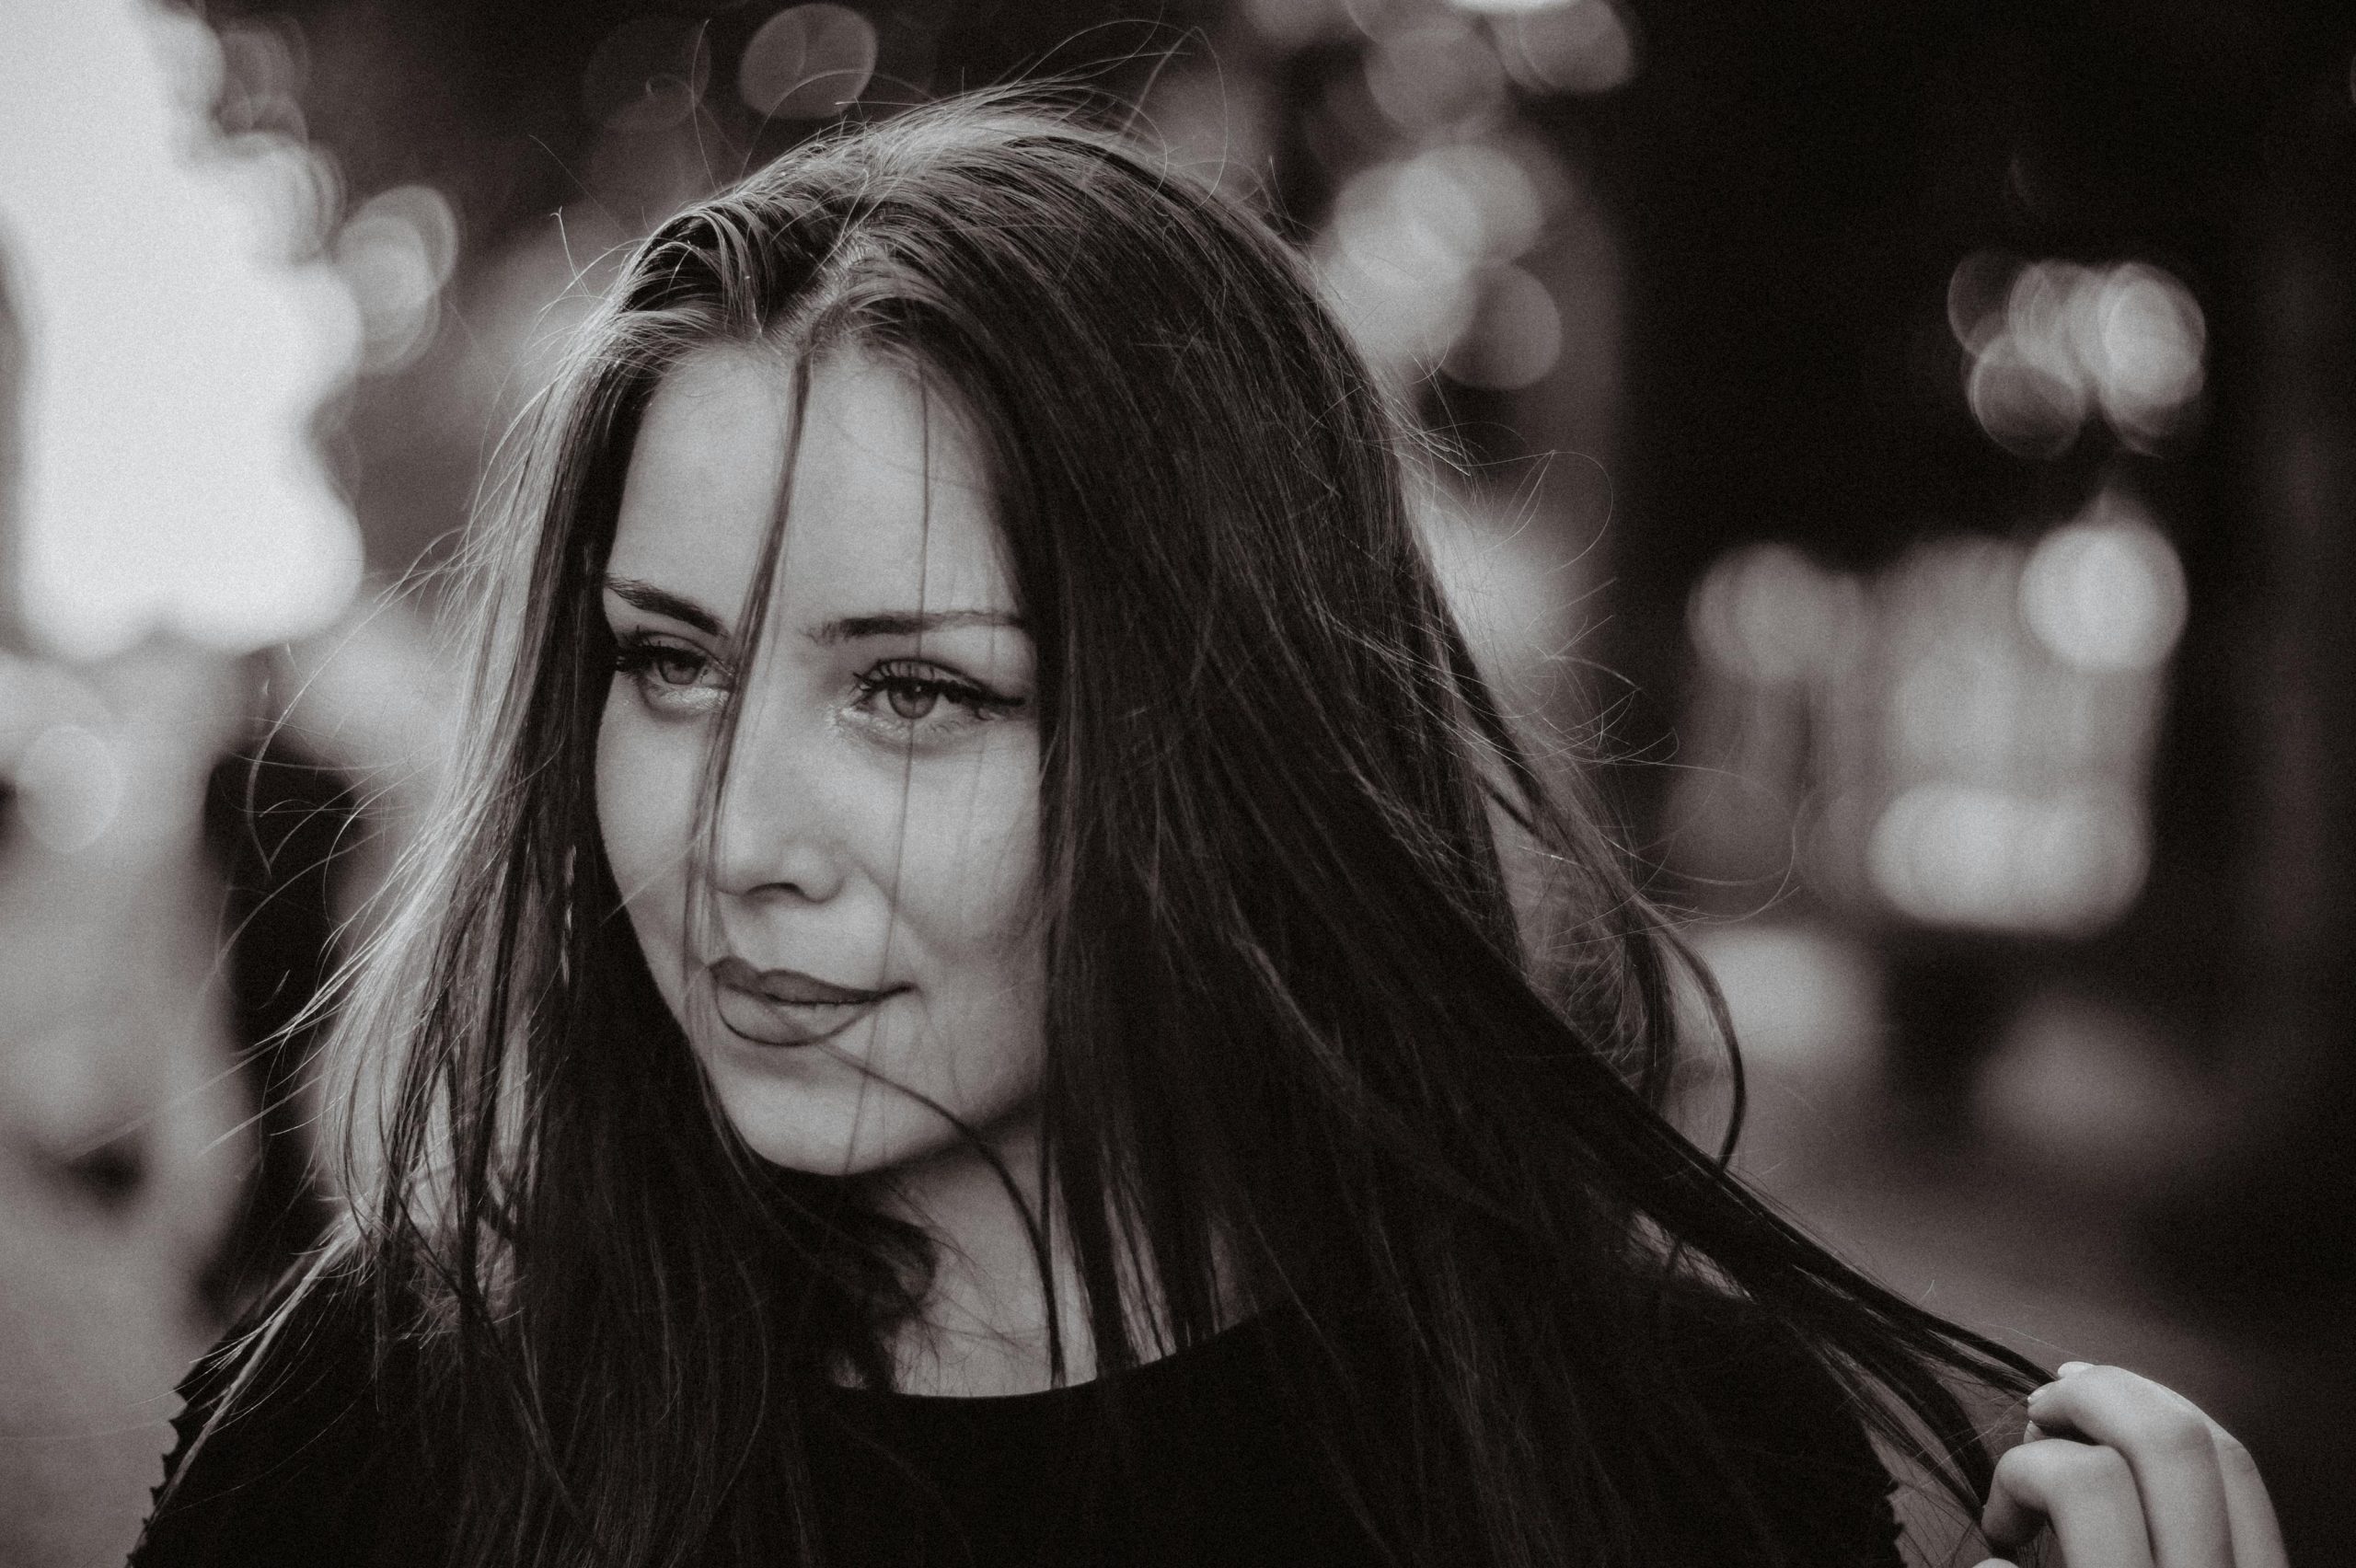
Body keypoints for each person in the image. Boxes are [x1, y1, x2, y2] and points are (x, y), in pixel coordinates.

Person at [133, 96, 2286, 1568]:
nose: (732, 839)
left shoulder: (1638, 1461)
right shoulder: (389, 1441)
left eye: (916, 691)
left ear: (1232, 749)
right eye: (667, 662)